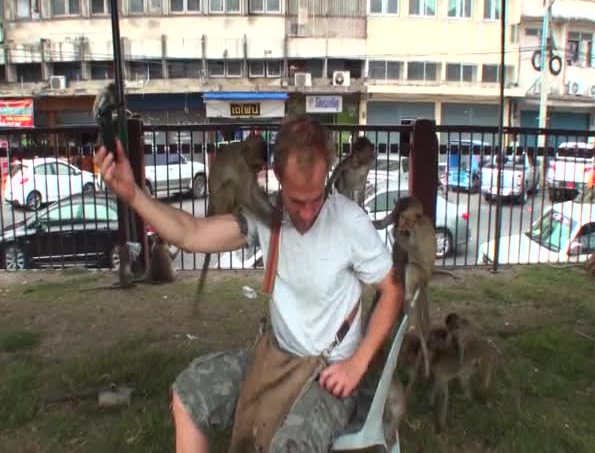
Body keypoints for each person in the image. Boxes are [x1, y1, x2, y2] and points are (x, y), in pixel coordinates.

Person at [94, 116, 402, 452]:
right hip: (273, 359)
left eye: (317, 197)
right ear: (278, 177)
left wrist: (357, 365)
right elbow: (191, 233)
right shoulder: (267, 216)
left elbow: (392, 289)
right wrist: (134, 194)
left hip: (327, 373)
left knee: (290, 446)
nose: (308, 212)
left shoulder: (348, 221)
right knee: (188, 393)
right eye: (298, 201)